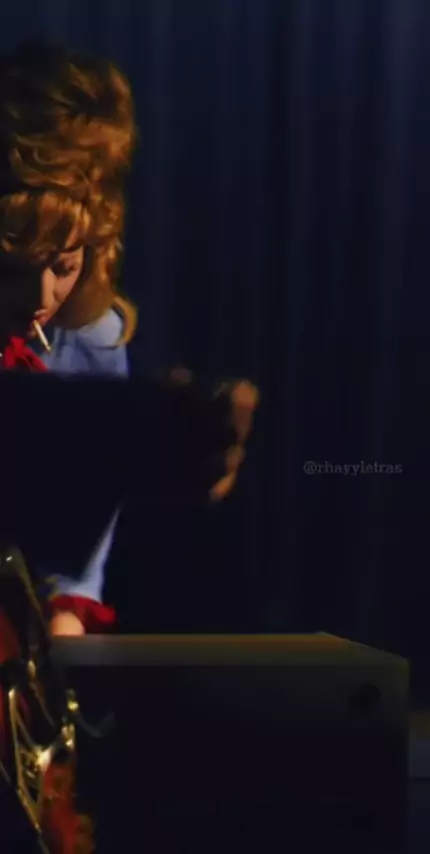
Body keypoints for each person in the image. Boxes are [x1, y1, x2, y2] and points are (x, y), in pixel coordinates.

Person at [0, 40, 257, 637]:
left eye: (62, 266)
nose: (39, 297)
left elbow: (73, 569)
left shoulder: (90, 339)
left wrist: (63, 619)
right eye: (12, 268)